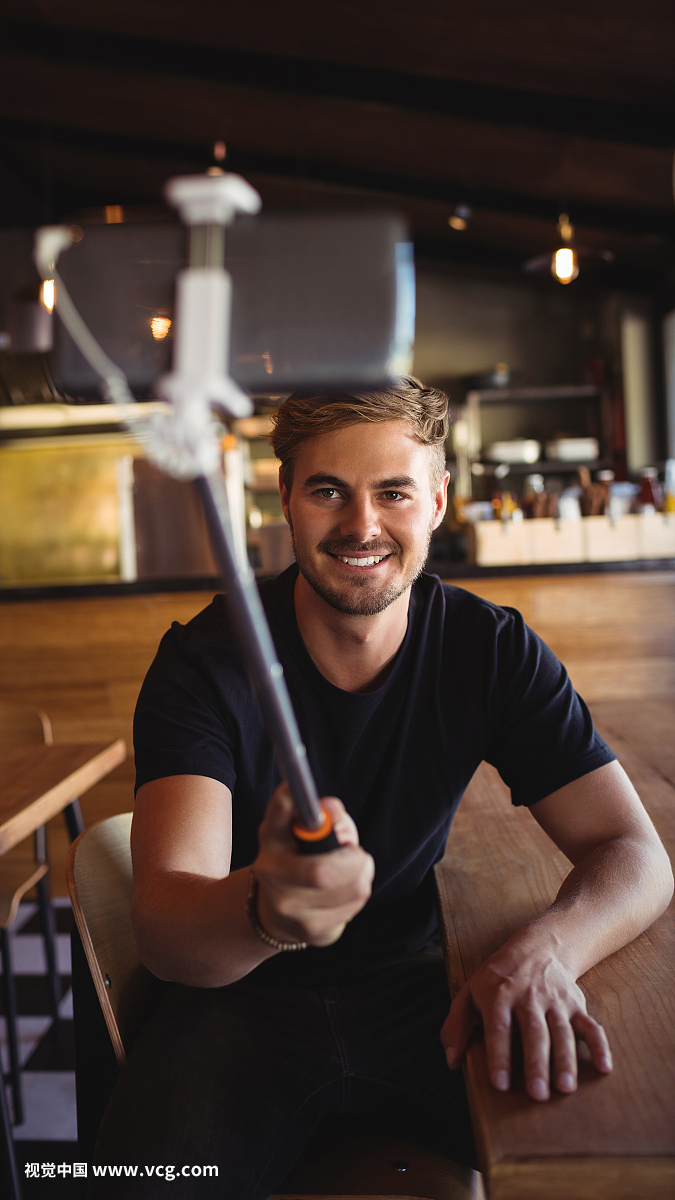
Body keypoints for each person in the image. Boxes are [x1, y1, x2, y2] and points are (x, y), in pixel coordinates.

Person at [91, 377, 673, 1197]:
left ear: (436, 501)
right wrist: (268, 909)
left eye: (392, 492)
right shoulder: (204, 664)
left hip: (423, 991)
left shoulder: (490, 649)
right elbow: (165, 930)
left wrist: (547, 951)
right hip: (234, 1004)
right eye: (328, 490)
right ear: (287, 498)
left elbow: (634, 854)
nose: (361, 526)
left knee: (598, 1155)